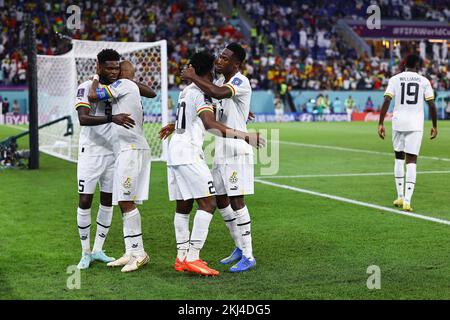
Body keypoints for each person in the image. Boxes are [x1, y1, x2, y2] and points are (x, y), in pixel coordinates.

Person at [161, 51, 263, 277]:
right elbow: (210, 110)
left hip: (234, 150)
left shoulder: (235, 81)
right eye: (219, 58)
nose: (220, 61)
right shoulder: (210, 85)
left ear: (236, 63)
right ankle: (220, 250)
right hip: (212, 150)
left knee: (232, 200)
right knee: (215, 201)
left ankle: (248, 254)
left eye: (225, 58)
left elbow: (215, 96)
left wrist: (193, 77)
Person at [88, 60, 156, 272]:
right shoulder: (128, 87)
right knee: (123, 201)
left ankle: (139, 253)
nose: (115, 72)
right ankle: (130, 252)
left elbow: (92, 95)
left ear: (127, 73)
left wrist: (96, 76)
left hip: (132, 150)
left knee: (126, 201)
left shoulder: (123, 84)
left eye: (119, 69)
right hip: (127, 150)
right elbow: (151, 92)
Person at [378, 54, 437, 212]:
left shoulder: (395, 79)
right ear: (417, 65)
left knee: (398, 158)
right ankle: (408, 201)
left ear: (404, 64)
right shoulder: (424, 81)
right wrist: (434, 125)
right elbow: (431, 105)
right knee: (411, 161)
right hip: (415, 125)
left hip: (398, 123)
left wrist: (380, 123)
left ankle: (400, 196)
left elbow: (386, 100)